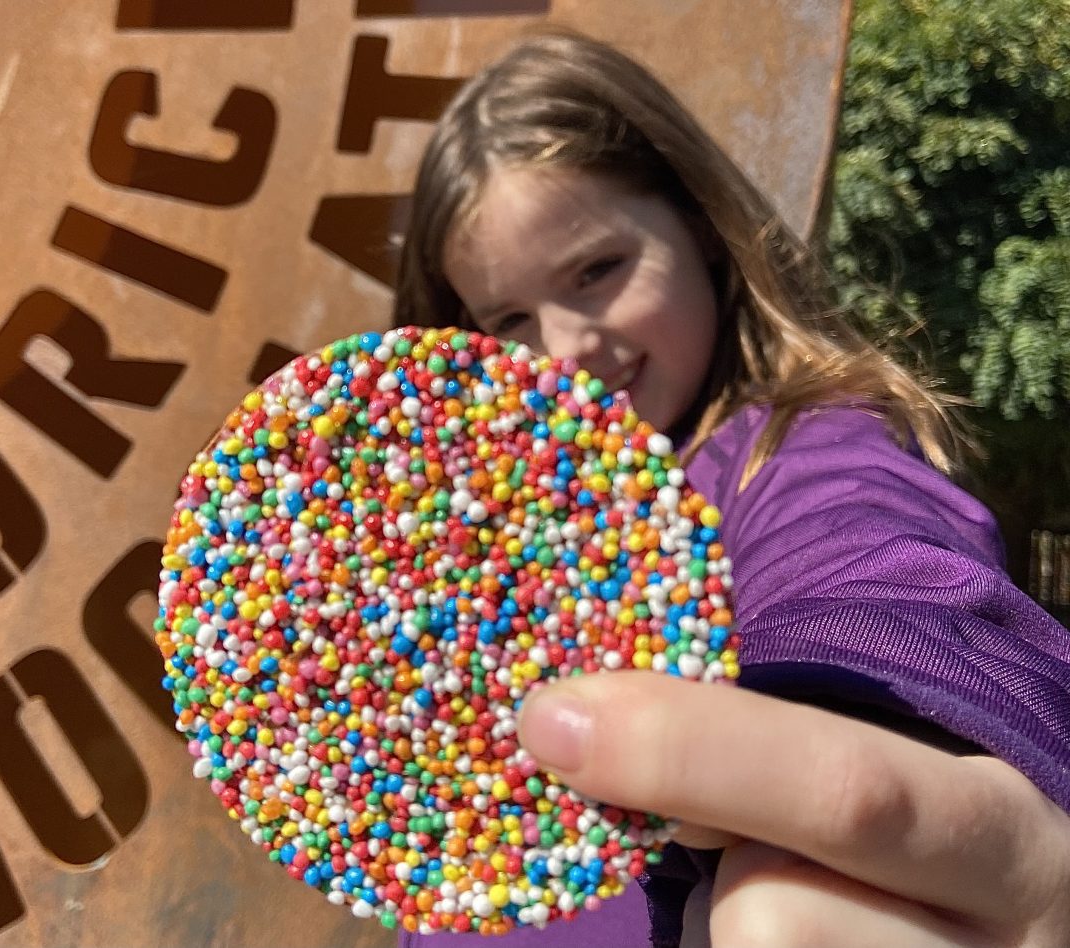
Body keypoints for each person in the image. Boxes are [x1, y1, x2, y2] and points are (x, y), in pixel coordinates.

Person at [390, 29, 1070, 948]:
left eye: (597, 271)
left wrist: (860, 712)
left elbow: (868, 559)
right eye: (507, 316)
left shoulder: (807, 442)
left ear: (703, 230)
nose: (562, 351)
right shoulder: (467, 542)